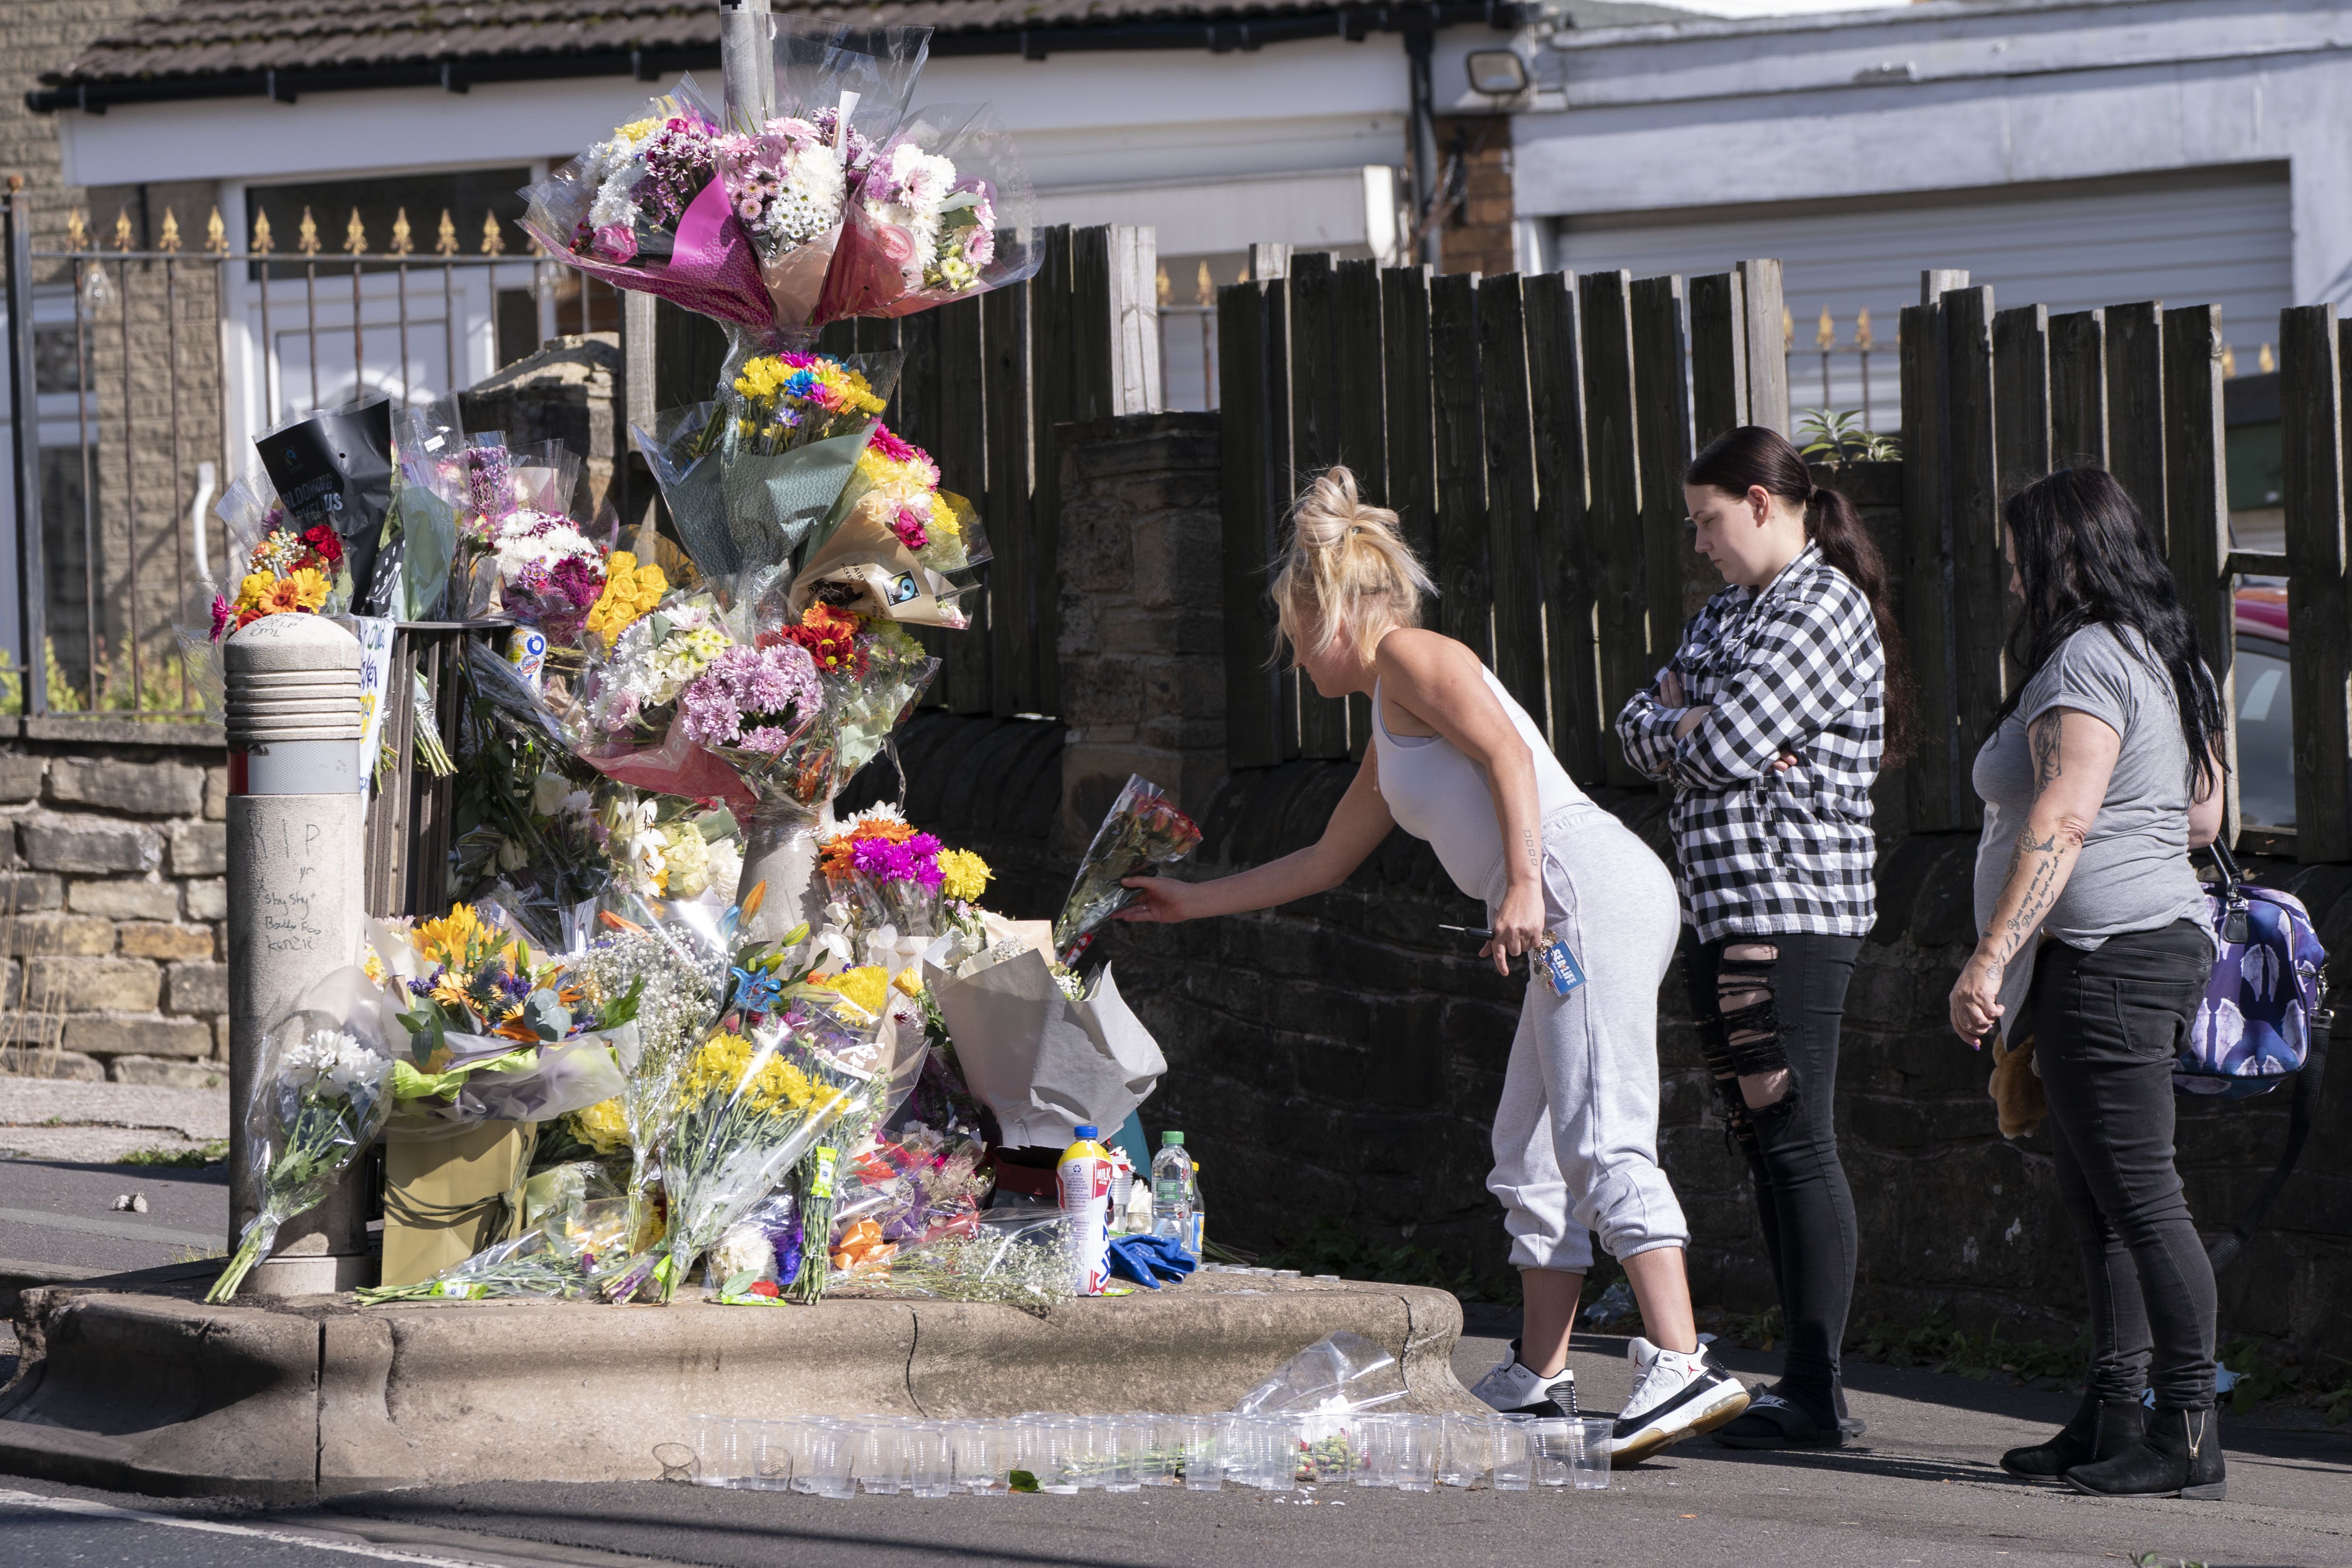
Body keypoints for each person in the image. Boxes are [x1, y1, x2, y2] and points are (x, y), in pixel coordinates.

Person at [1116, 467, 1749, 1464]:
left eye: (1291, 627)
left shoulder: (1414, 654)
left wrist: (1525, 886)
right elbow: (1325, 857)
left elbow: (1505, 753)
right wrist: (1188, 898)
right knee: (1528, 1144)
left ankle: (1682, 1359)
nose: (1289, 652)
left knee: (1599, 1124)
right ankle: (1539, 1377)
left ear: (1327, 610)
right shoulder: (1387, 713)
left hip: (1580, 889)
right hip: (1564, 897)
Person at [1615, 425, 1906, 1450]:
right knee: (1763, 1146)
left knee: (1797, 1142)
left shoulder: (1820, 606)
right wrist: (1691, 725)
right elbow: (1633, 723)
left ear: (1758, 502)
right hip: (1725, 908)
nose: (1697, 543)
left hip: (1791, 914)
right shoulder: (1729, 611)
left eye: (1705, 521)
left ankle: (1816, 1389)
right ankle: (1803, 1380)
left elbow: (1726, 738)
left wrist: (1701, 726)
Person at [1949, 467, 2228, 1500]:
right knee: (2101, 1198)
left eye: (2019, 552)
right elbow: (2202, 817)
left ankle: (2188, 1430)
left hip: (2108, 958)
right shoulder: (2156, 651)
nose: (2011, 574)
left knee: (2142, 1198)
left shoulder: (2081, 660)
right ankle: (2116, 1412)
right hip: (2124, 950)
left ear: (2061, 555)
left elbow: (2062, 816)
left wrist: (1988, 957)